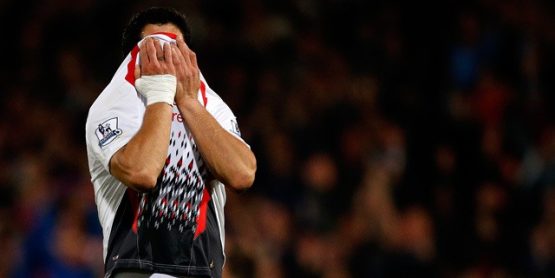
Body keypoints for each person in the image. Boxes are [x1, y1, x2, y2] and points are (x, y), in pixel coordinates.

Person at [85, 7, 256, 278]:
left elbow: (242, 174)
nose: (166, 59)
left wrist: (189, 102)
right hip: (137, 270)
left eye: (175, 49)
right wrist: (159, 95)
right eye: (155, 49)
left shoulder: (212, 107)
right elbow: (142, 172)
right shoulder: (110, 107)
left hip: (202, 270)